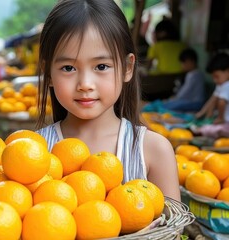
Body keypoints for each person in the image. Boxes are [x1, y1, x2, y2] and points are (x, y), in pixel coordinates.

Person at [35, 0, 180, 201]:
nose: (85, 84)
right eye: (68, 68)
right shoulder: (34, 151)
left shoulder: (153, 150)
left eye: (101, 66)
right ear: (48, 73)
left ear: (127, 68)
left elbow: (173, 231)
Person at [143, 48, 206, 113]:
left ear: (190, 61)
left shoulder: (193, 75)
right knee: (168, 104)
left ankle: (150, 106)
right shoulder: (197, 73)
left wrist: (171, 100)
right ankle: (151, 106)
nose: (182, 65)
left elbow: (184, 93)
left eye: (183, 63)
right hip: (191, 101)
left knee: (166, 106)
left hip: (195, 103)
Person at [193, 52, 229, 138]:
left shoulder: (226, 85)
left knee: (211, 129)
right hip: (225, 120)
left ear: (228, 71)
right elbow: (212, 100)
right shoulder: (221, 84)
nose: (215, 80)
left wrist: (220, 118)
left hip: (226, 123)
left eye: (217, 76)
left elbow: (221, 102)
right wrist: (202, 113)